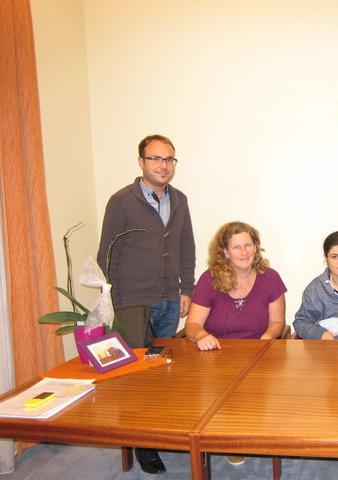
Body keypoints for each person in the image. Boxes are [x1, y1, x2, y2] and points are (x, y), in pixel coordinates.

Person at [97, 134, 196, 475]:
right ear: (141, 162)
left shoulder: (179, 200)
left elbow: (186, 248)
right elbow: (107, 254)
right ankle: (143, 446)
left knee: (161, 375)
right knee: (135, 378)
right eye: (156, 159)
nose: (163, 165)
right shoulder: (121, 201)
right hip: (132, 303)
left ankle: (157, 433)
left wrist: (187, 289)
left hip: (169, 300)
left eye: (169, 159)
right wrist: (113, 301)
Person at [185, 221, 286, 351]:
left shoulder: (271, 278)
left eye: (248, 245)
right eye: (237, 247)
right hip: (216, 352)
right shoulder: (209, 279)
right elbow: (192, 324)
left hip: (258, 352)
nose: (244, 252)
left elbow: (277, 322)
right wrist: (202, 336)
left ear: (255, 247)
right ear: (226, 252)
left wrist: (266, 339)